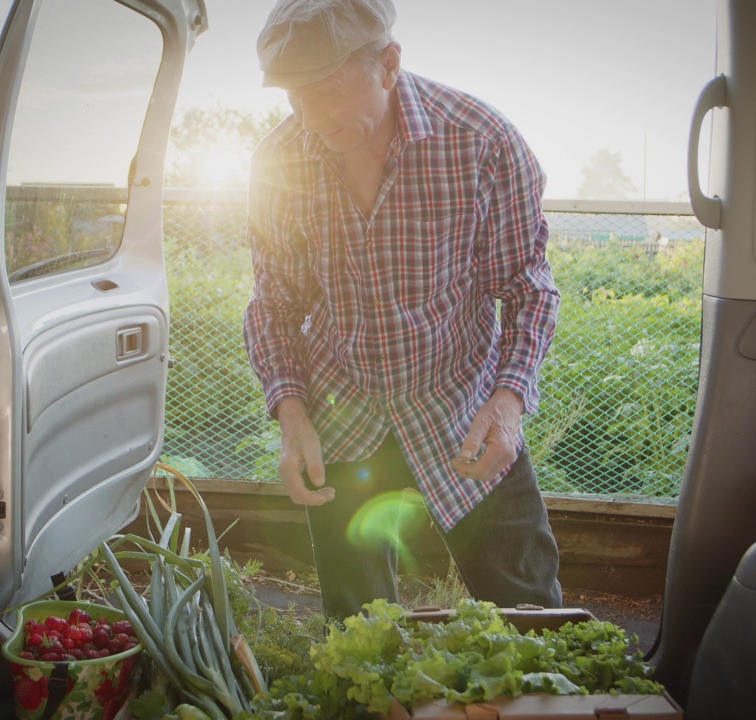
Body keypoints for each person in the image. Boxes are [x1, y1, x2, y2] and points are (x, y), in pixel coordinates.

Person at [242, 0, 564, 619]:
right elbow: (275, 306)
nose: (309, 119)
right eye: (293, 98)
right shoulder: (278, 162)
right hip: (344, 411)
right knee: (359, 634)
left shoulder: (482, 142)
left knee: (531, 616)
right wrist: (292, 415)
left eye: (328, 92)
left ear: (389, 64)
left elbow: (528, 286)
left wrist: (509, 401)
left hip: (463, 408)